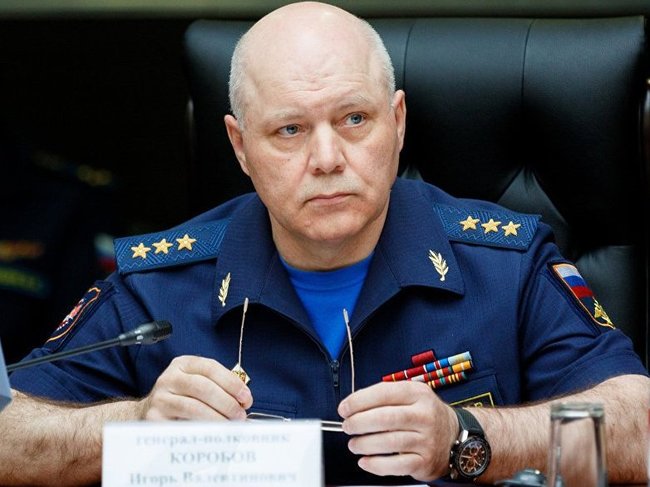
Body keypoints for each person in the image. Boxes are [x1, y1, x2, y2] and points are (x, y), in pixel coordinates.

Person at [1, 2, 648, 485]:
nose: (328, 157)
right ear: (240, 147)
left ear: (397, 123)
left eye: (354, 119)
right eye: (289, 130)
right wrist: (132, 428)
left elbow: (639, 432)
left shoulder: (505, 263)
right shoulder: (156, 284)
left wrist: (470, 438)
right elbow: (9, 437)